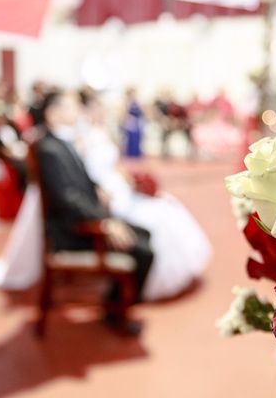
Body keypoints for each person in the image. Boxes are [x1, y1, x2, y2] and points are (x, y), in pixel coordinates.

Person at [36, 90, 153, 334]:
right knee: (144, 251)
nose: (76, 111)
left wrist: (98, 190)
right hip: (74, 232)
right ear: (53, 113)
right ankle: (118, 311)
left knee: (146, 233)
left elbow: (79, 183)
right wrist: (105, 223)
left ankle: (115, 302)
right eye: (70, 107)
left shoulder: (62, 142)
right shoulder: (49, 148)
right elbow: (67, 198)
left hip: (85, 221)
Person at [79, 91, 212, 301]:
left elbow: (115, 164)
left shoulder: (101, 132)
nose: (100, 111)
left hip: (118, 185)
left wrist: (132, 181)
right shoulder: (81, 138)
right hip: (107, 192)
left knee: (166, 204)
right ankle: (146, 280)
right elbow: (83, 174)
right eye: (96, 106)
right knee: (156, 217)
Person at [121, 87, 144, 158]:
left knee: (137, 138)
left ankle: (136, 153)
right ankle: (130, 154)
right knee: (130, 139)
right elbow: (124, 113)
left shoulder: (137, 102)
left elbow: (142, 111)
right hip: (130, 122)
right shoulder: (126, 102)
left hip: (137, 122)